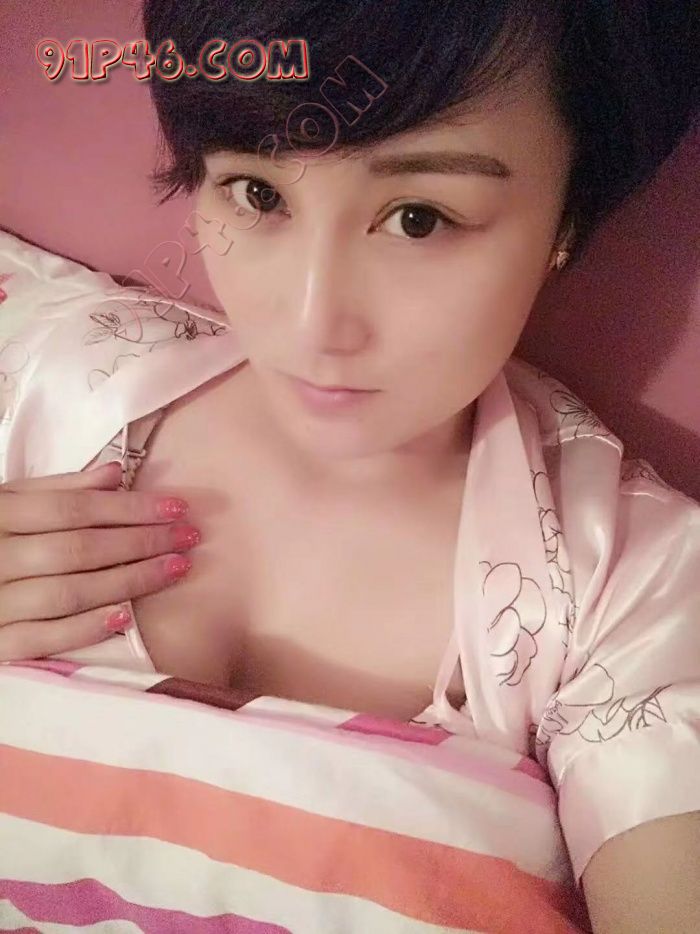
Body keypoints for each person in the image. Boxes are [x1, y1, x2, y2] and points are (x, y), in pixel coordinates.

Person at [0, 2, 698, 929]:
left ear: (567, 218)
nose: (310, 321)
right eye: (257, 194)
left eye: (418, 218)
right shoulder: (41, 379)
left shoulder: (635, 586)